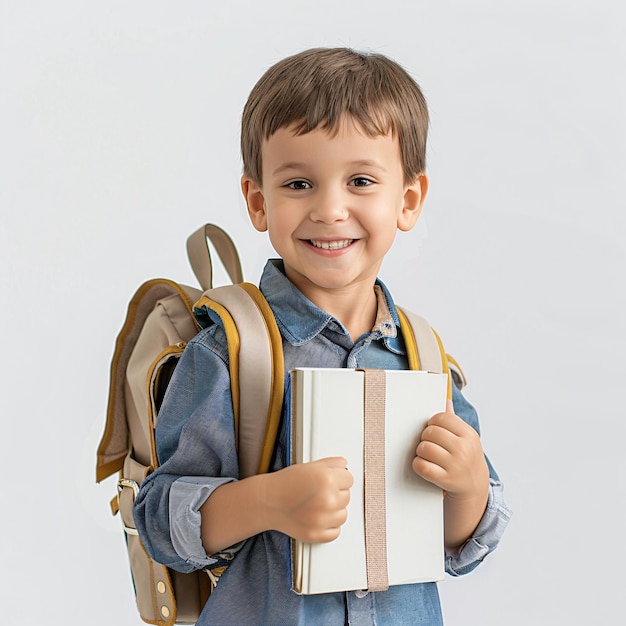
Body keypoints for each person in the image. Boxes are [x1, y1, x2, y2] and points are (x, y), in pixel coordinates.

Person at [134, 47, 511, 625]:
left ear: (407, 201)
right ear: (259, 202)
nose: (331, 209)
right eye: (300, 183)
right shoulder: (231, 354)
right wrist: (267, 502)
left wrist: (468, 485)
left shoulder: (424, 358)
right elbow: (161, 520)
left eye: (361, 180)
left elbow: (460, 540)